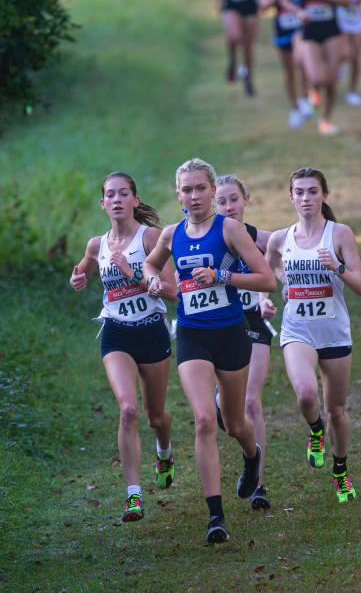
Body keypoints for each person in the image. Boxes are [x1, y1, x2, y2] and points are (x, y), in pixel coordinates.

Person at [143, 158, 275, 543]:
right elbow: (151, 267)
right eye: (187, 189)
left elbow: (267, 279)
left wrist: (223, 276)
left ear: (213, 191)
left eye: (201, 188)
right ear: (178, 195)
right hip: (192, 334)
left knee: (233, 423)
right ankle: (215, 516)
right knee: (203, 419)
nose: (194, 195)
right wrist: (152, 282)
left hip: (232, 333)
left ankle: (252, 456)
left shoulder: (230, 229)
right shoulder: (171, 234)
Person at [70, 172, 179, 523]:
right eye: (110, 195)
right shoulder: (96, 244)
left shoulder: (150, 239)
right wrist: (81, 276)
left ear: (135, 200)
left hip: (152, 332)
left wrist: (133, 275)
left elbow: (174, 291)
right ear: (103, 204)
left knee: (155, 417)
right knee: (128, 410)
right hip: (116, 333)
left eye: (123, 194)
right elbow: (86, 264)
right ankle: (134, 495)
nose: (116, 200)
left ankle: (164, 452)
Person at [264, 167, 361, 503]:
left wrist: (336, 267)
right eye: (299, 192)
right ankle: (314, 430)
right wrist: (271, 293)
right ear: (290, 197)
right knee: (307, 395)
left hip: (335, 334)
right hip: (297, 331)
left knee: (336, 410)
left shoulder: (339, 234)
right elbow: (268, 271)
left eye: (312, 191)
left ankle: (340, 471)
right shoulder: (281, 238)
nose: (305, 198)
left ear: (324, 195)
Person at [213, 175, 274, 510]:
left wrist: (266, 295)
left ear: (246, 199)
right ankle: (221, 401)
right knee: (228, 412)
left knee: (252, 401)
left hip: (252, 321)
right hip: (217, 325)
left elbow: (279, 252)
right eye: (221, 201)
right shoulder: (206, 236)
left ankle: (258, 484)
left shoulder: (255, 236)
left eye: (233, 199)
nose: (228, 206)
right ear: (212, 203)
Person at [284, 0, 356, 135]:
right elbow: (284, 1)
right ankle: (313, 93)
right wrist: (298, 11)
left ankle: (326, 120)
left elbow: (347, 2)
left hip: (332, 31)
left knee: (331, 80)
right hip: (309, 31)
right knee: (316, 78)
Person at [261, 0, 315, 128]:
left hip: (301, 28)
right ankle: (295, 108)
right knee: (289, 70)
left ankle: (304, 98)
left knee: (302, 63)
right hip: (283, 29)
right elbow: (263, 6)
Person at [220, 0, 261, 96]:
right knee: (234, 37)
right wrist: (220, 2)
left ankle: (248, 77)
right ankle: (233, 60)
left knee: (248, 47)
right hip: (232, 2)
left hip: (250, 2)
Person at [336, 0, 361, 106]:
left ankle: (352, 92)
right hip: (341, 19)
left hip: (359, 20)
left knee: (356, 58)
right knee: (344, 53)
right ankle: (341, 65)